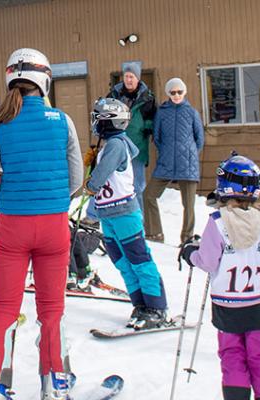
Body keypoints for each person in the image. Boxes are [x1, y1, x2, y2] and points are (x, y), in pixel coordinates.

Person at [0, 48, 85, 400]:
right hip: (54, 225)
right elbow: (76, 178)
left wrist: (13, 195)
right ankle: (54, 380)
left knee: (5, 308)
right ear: (45, 80)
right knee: (52, 309)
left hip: (12, 226)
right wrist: (52, 197)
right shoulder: (62, 120)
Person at [184, 155, 260, 400]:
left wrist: (190, 254)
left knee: (232, 355)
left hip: (228, 302)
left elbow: (207, 261)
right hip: (258, 301)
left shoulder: (218, 222)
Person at [84, 97, 170, 329]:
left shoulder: (117, 144)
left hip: (124, 214)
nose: (95, 123)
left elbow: (103, 173)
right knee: (122, 261)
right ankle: (141, 303)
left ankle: (157, 306)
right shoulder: (109, 145)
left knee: (138, 259)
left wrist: (91, 183)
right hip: (108, 215)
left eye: (98, 118)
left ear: (109, 121)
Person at [145, 77, 205, 243]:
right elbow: (156, 137)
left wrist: (190, 153)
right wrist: (166, 151)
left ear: (184, 92)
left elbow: (199, 139)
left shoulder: (192, 112)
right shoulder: (162, 113)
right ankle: (154, 233)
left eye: (179, 92)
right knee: (149, 195)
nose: (176, 95)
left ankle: (187, 237)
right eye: (173, 92)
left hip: (188, 164)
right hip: (166, 162)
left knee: (189, 204)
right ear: (168, 93)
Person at [103, 64, 157, 202]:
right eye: (126, 76)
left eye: (131, 77)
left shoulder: (147, 98)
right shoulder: (114, 95)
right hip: (117, 144)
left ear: (137, 78)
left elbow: (153, 119)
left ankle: (140, 220)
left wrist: (147, 128)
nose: (129, 80)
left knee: (138, 186)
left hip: (138, 146)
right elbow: (104, 115)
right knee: (113, 183)